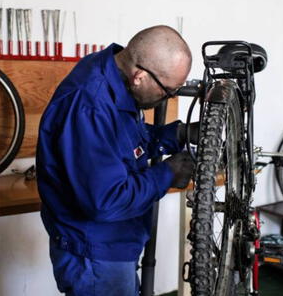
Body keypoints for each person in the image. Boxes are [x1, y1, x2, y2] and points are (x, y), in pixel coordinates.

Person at [36, 25, 198, 296]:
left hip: (115, 242)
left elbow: (122, 142)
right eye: (167, 91)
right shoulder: (90, 105)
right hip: (95, 252)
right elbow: (106, 200)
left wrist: (176, 134)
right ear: (140, 76)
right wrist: (167, 173)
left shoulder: (113, 76)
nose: (167, 99)